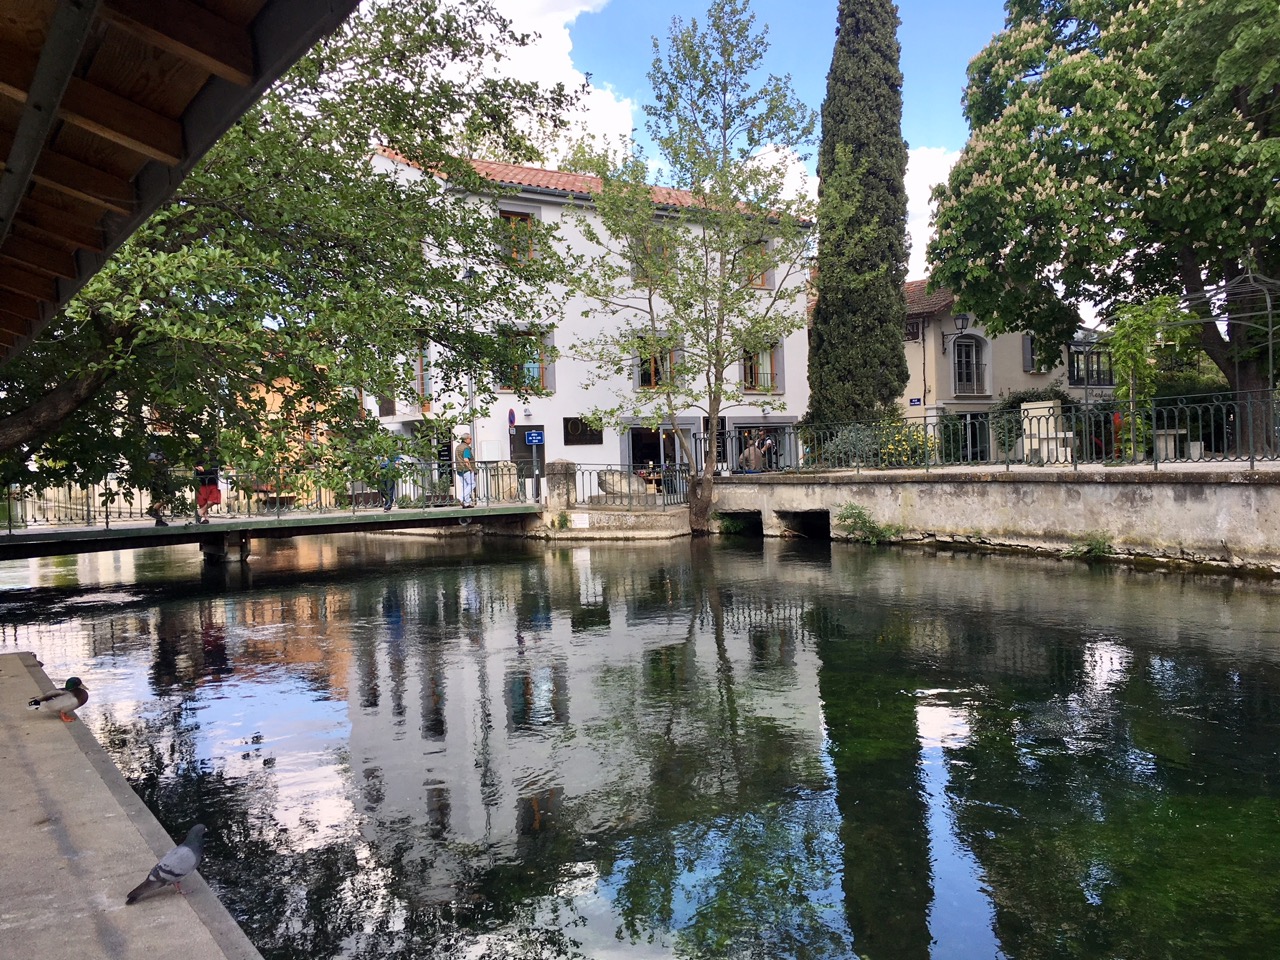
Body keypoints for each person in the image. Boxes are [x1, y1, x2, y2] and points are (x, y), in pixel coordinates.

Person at [145, 449, 173, 526]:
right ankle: (153, 510)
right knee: (169, 495)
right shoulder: (157, 456)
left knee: (158, 499)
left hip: (157, 480)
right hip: (159, 480)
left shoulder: (153, 454)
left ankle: (158, 520)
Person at [194, 450, 221, 524]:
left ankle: (201, 511)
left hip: (212, 481)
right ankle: (205, 517)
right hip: (201, 481)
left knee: (214, 498)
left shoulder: (215, 457)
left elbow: (215, 468)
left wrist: (204, 470)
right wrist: (199, 469)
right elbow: (196, 468)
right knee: (202, 499)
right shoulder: (199, 457)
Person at [453, 432, 476, 507]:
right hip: (466, 469)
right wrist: (471, 469)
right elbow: (466, 459)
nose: (471, 440)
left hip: (459, 469)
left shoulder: (458, 447)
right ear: (466, 440)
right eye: (470, 439)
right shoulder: (466, 448)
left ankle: (466, 503)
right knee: (472, 484)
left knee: (465, 486)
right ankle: (461, 498)